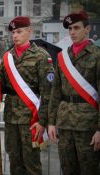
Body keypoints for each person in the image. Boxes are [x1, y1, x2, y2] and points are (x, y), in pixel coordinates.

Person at [0, 16, 54, 175]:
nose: (15, 35)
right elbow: (1, 87)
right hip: (11, 118)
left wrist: (43, 121)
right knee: (14, 162)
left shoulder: (41, 56)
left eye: (19, 31)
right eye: (13, 32)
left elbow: (47, 92)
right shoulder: (7, 57)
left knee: (32, 164)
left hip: (32, 118)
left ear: (29, 32)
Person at [48, 11, 100, 175]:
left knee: (89, 170)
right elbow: (55, 91)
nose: (72, 32)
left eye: (76, 28)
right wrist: (51, 122)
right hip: (65, 122)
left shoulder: (97, 56)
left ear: (87, 29)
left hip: (88, 126)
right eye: (70, 29)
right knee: (67, 169)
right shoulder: (63, 57)